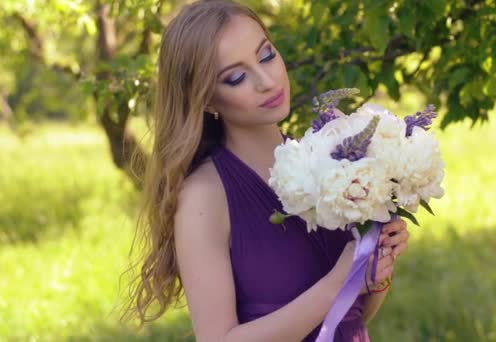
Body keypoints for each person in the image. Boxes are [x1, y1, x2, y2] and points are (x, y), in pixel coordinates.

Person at [122, 0, 410, 340]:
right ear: (206, 100)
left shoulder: (330, 163)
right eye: (237, 77)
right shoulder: (205, 196)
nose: (266, 81)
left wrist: (376, 264)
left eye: (266, 55)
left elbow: (353, 318)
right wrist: (338, 281)